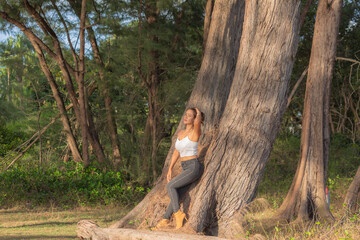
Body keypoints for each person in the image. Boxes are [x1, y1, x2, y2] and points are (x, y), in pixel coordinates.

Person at [155, 107, 205, 230]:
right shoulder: (181, 133)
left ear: (194, 119)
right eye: (185, 114)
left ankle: (178, 214)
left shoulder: (195, 132)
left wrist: (198, 111)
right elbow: (176, 152)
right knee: (176, 193)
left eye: (189, 115)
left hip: (193, 167)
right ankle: (165, 220)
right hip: (185, 167)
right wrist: (170, 169)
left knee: (170, 186)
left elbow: (198, 122)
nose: (186, 117)